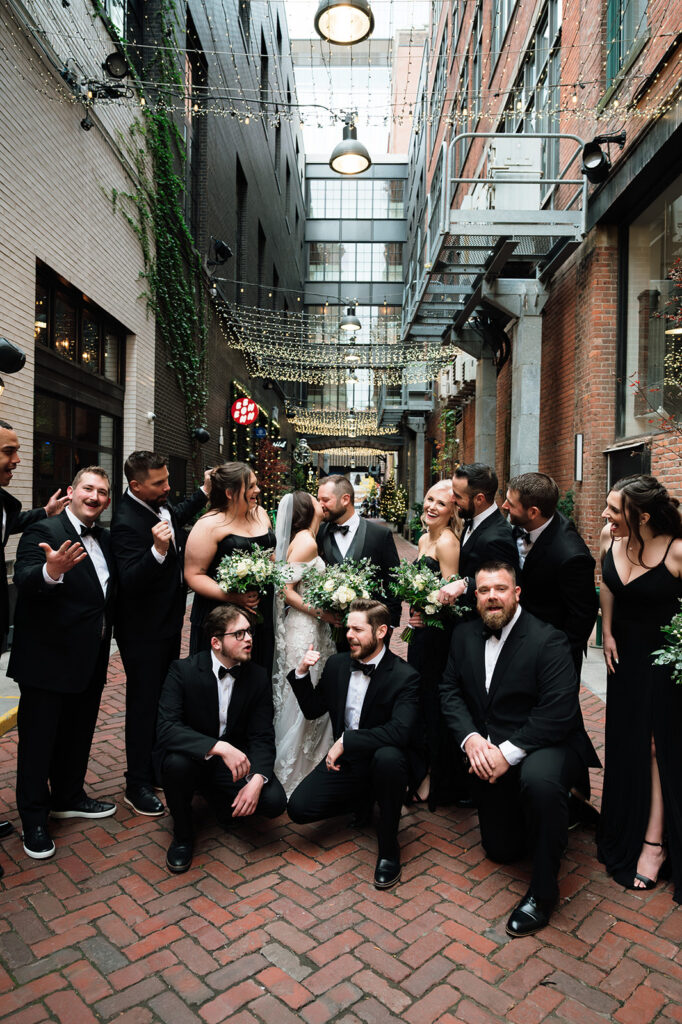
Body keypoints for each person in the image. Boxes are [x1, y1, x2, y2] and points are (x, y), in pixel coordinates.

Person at [439, 563, 599, 936]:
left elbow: (558, 713)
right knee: (501, 850)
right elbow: (449, 691)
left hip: (546, 743)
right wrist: (471, 739)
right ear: (474, 596)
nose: (492, 596)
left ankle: (543, 893)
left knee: (540, 783)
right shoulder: (463, 636)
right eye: (484, 590)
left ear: (517, 593)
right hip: (489, 749)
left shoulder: (548, 639)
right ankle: (563, 811)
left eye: (501, 588)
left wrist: (506, 753)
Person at [9, 467, 117, 860]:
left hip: (90, 657)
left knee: (78, 733)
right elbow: (23, 577)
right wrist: (50, 572)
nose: (95, 497)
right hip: (47, 660)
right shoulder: (45, 531)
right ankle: (34, 820)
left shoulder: (103, 539)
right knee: (38, 744)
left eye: (102, 492)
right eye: (88, 488)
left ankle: (69, 796)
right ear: (71, 492)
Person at [287, 599, 424, 891]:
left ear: (382, 631)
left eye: (358, 629)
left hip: (384, 760)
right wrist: (300, 674)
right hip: (348, 764)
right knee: (298, 809)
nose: (349, 634)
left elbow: (399, 733)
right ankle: (362, 798)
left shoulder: (405, 676)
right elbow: (314, 710)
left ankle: (389, 849)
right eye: (348, 628)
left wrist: (348, 740)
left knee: (388, 759)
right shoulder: (337, 664)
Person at [111, 451, 210, 817]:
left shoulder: (158, 505)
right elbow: (131, 580)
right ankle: (136, 783)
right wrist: (157, 550)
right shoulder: (125, 521)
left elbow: (176, 514)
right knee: (143, 705)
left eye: (167, 479)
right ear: (136, 486)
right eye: (159, 483)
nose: (167, 487)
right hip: (143, 631)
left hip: (167, 625)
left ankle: (155, 768)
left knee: (163, 702)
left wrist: (201, 492)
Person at [598, 475, 682, 901]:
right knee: (628, 743)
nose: (605, 516)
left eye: (614, 509)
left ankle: (655, 845)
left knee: (655, 748)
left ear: (642, 515)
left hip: (664, 665)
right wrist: (607, 633)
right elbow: (607, 585)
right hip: (624, 660)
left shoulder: (677, 550)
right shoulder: (608, 540)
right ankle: (623, 827)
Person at [155, 604, 287, 873]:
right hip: (193, 759)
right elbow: (167, 729)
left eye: (249, 632)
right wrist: (218, 747)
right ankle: (182, 835)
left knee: (274, 802)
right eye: (239, 634)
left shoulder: (257, 677)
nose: (249, 638)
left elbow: (262, 736)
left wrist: (257, 780)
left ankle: (218, 797)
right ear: (216, 642)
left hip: (231, 766)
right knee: (176, 765)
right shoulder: (183, 671)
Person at [0, 420, 70, 872]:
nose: (17, 460)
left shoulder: (8, 503)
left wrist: (41, 513)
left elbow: (13, 521)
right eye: (9, 451)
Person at [272, 492, 338, 795]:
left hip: (309, 626)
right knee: (304, 693)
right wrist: (323, 612)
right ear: (306, 509)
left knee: (303, 693)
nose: (321, 504)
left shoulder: (302, 538)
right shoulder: (307, 542)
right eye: (316, 500)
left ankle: (307, 761)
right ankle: (299, 768)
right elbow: (285, 591)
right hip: (306, 628)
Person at [502, 473, 598, 679]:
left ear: (533, 512)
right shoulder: (522, 526)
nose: (504, 506)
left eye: (511, 503)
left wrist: (555, 653)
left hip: (552, 655)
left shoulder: (571, 555)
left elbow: (583, 616)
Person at [185, 463, 276, 669]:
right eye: (251, 486)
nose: (258, 491)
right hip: (221, 614)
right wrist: (232, 597)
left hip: (261, 611)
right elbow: (194, 575)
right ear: (229, 492)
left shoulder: (260, 513)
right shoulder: (209, 524)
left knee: (258, 676)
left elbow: (271, 555)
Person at [405, 480, 460, 808]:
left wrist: (427, 610)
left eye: (441, 503)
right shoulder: (425, 537)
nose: (431, 507)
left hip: (438, 637)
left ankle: (432, 776)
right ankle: (419, 768)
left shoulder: (448, 543)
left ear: (453, 510)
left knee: (431, 702)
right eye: (429, 499)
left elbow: (451, 596)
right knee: (418, 699)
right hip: (419, 635)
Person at [317, 476, 401, 641]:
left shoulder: (379, 534)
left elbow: (394, 580)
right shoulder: (319, 533)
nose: (320, 504)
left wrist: (390, 624)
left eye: (325, 499)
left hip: (371, 629)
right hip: (331, 630)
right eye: (318, 499)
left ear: (345, 499)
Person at [438, 463, 518, 613]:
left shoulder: (498, 538)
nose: (451, 499)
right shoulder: (471, 519)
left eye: (457, 495)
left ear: (479, 499)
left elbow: (506, 585)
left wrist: (466, 584)